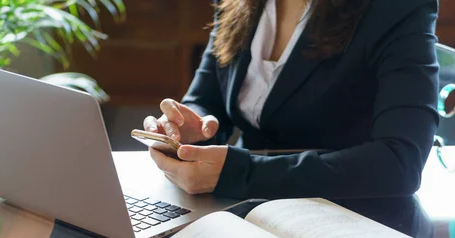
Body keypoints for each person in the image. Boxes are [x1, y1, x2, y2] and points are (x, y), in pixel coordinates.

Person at [143, 0, 439, 200]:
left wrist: (241, 174)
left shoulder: (397, 7)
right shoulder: (240, 4)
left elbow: (401, 162)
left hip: (346, 220)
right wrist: (187, 126)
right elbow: (206, 100)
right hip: (244, 211)